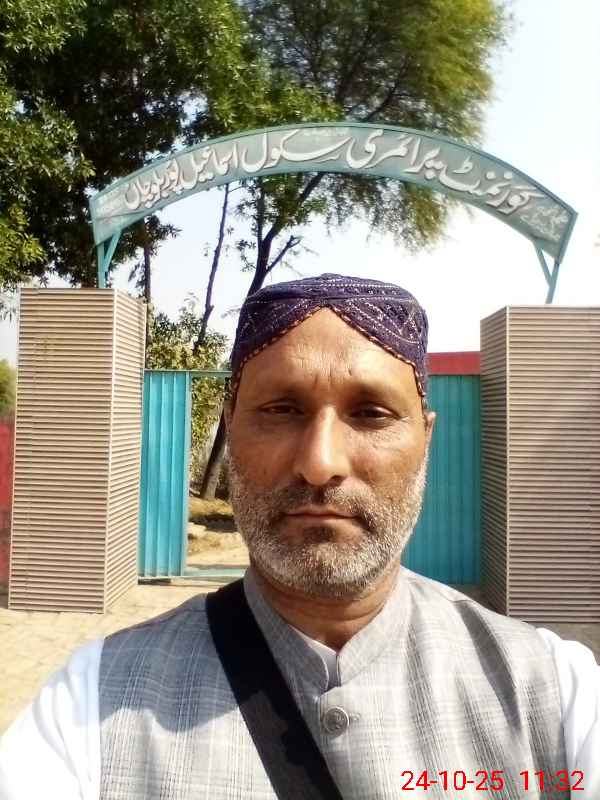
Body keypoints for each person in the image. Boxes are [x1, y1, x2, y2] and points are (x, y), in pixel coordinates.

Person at [0, 272, 598, 799]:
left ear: (426, 441)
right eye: (282, 410)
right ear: (231, 431)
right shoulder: (91, 703)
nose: (320, 462)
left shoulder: (555, 693)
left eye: (371, 413)